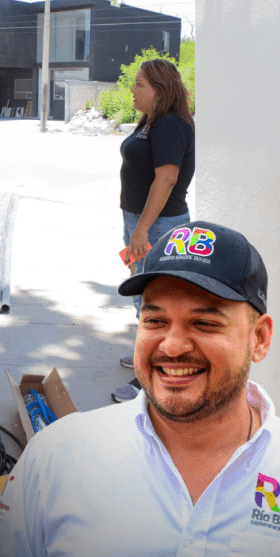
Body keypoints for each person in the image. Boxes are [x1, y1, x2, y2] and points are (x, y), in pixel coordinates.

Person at [0, 221, 280, 557]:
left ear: (259, 338)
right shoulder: (55, 460)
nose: (173, 346)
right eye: (155, 321)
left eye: (204, 323)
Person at [113, 58, 195, 403]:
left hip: (159, 226)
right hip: (143, 221)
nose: (132, 90)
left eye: (139, 84)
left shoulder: (169, 126)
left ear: (159, 92)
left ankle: (148, 378)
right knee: (143, 296)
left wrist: (142, 229)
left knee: (157, 304)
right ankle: (144, 355)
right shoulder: (152, 121)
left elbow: (167, 178)